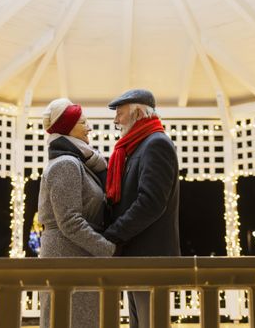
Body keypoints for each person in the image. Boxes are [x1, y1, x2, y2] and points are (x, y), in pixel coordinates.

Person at [103, 89, 180, 328]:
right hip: (139, 256)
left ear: (137, 112)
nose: (116, 120)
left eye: (120, 112)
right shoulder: (137, 147)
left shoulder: (156, 144)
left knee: (149, 323)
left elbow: (151, 202)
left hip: (151, 258)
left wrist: (112, 235)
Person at [37, 98, 116, 328]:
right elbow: (70, 222)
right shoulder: (66, 165)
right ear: (67, 127)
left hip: (77, 258)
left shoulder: (78, 162)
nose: (89, 127)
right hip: (67, 261)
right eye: (83, 122)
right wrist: (109, 249)